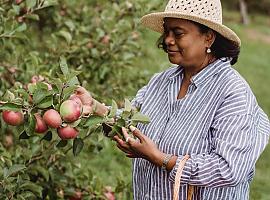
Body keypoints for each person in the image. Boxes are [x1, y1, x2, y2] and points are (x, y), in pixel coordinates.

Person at [74, 0, 270, 199]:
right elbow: (131, 121)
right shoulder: (163, 80)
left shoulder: (232, 92)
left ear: (208, 38)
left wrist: (160, 158)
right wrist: (95, 107)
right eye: (167, 32)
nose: (168, 40)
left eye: (178, 33)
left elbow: (229, 169)